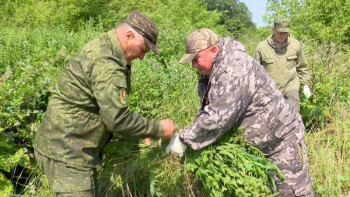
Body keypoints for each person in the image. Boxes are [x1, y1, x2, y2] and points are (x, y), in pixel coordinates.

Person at [33, 11, 177, 196]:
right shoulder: (107, 62)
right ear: (129, 35)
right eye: (143, 49)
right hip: (68, 153)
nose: (142, 57)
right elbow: (116, 119)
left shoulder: (108, 49)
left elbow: (110, 107)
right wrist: (158, 129)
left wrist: (141, 131)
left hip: (67, 147)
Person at [166, 28, 314, 196]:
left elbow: (218, 116)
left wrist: (184, 139)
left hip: (281, 140)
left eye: (196, 59)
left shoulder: (235, 67)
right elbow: (207, 107)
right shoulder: (211, 69)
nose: (193, 65)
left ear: (213, 50)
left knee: (291, 192)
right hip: (256, 144)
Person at [254, 17, 311, 112]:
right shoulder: (262, 47)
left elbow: (302, 66)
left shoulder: (295, 45)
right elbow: (255, 72)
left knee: (293, 113)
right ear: (273, 29)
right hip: (269, 88)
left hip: (290, 85)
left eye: (285, 33)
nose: (282, 36)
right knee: (271, 118)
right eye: (280, 32)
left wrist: (305, 84)